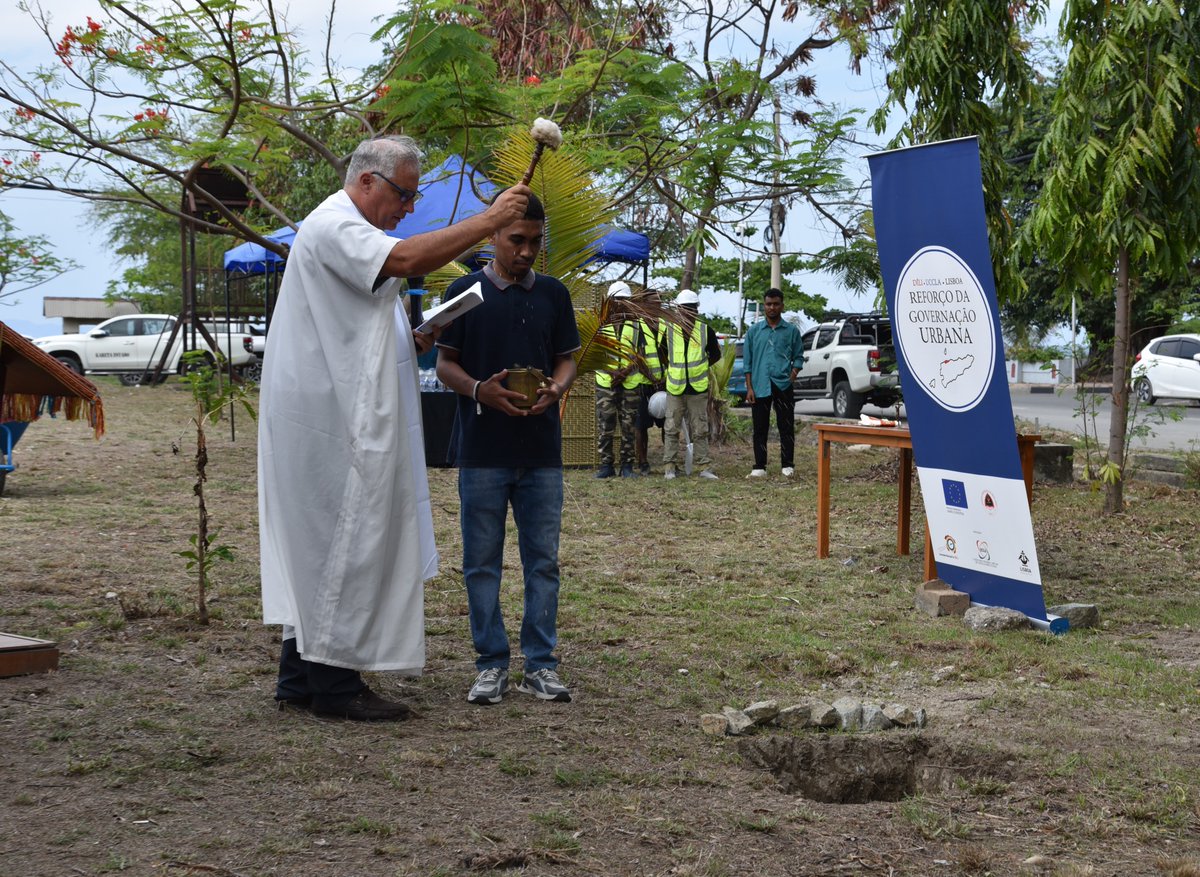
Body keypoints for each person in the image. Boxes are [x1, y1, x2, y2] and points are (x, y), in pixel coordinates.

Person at [259, 135, 534, 722]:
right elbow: (407, 260)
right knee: (348, 535)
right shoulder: (335, 225)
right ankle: (334, 686)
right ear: (366, 181)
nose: (407, 209)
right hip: (332, 415)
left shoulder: (345, 232)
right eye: (403, 194)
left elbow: (356, 317)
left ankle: (300, 677)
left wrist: (411, 337)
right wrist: (488, 219)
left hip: (333, 405)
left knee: (322, 540)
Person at [435, 191, 580, 706]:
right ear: (493, 235)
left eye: (535, 242)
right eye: (516, 240)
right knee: (482, 562)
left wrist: (556, 391)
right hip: (482, 451)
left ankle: (541, 665)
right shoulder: (465, 292)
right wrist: (480, 390)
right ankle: (491, 664)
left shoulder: (554, 295)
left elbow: (567, 360)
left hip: (541, 454)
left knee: (543, 562)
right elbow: (444, 363)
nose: (526, 251)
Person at [743, 287, 805, 477]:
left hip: (783, 385)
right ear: (764, 306)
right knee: (759, 427)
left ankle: (787, 465)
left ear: (782, 306)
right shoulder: (754, 332)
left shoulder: (791, 331)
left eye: (776, 304)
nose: (772, 307)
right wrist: (750, 388)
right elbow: (748, 363)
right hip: (760, 385)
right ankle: (759, 466)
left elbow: (799, 357)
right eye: (768, 304)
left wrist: (792, 375)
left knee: (785, 426)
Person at [661, 288, 722, 480]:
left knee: (700, 428)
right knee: (671, 427)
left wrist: (701, 368)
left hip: (697, 388)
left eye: (691, 308)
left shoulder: (705, 330)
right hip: (675, 387)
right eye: (684, 308)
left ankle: (704, 466)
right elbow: (663, 354)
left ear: (697, 309)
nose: (688, 312)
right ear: (678, 309)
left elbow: (716, 354)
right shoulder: (669, 330)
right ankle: (670, 467)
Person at [593, 281, 641, 478]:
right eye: (617, 300)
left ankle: (627, 466)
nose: (621, 304)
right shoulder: (599, 324)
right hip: (606, 383)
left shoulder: (637, 324)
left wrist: (624, 372)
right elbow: (594, 354)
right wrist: (612, 373)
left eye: (624, 301)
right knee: (605, 425)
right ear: (610, 301)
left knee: (628, 426)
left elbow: (642, 353)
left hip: (630, 382)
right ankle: (606, 465)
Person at [632, 285, 666, 475]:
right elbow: (635, 356)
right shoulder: (637, 327)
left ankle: (669, 460)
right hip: (643, 383)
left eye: (659, 303)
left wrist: (664, 378)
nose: (657, 306)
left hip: (664, 383)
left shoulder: (666, 325)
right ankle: (643, 462)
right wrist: (651, 378)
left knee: (667, 425)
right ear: (645, 305)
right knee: (641, 425)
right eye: (654, 303)